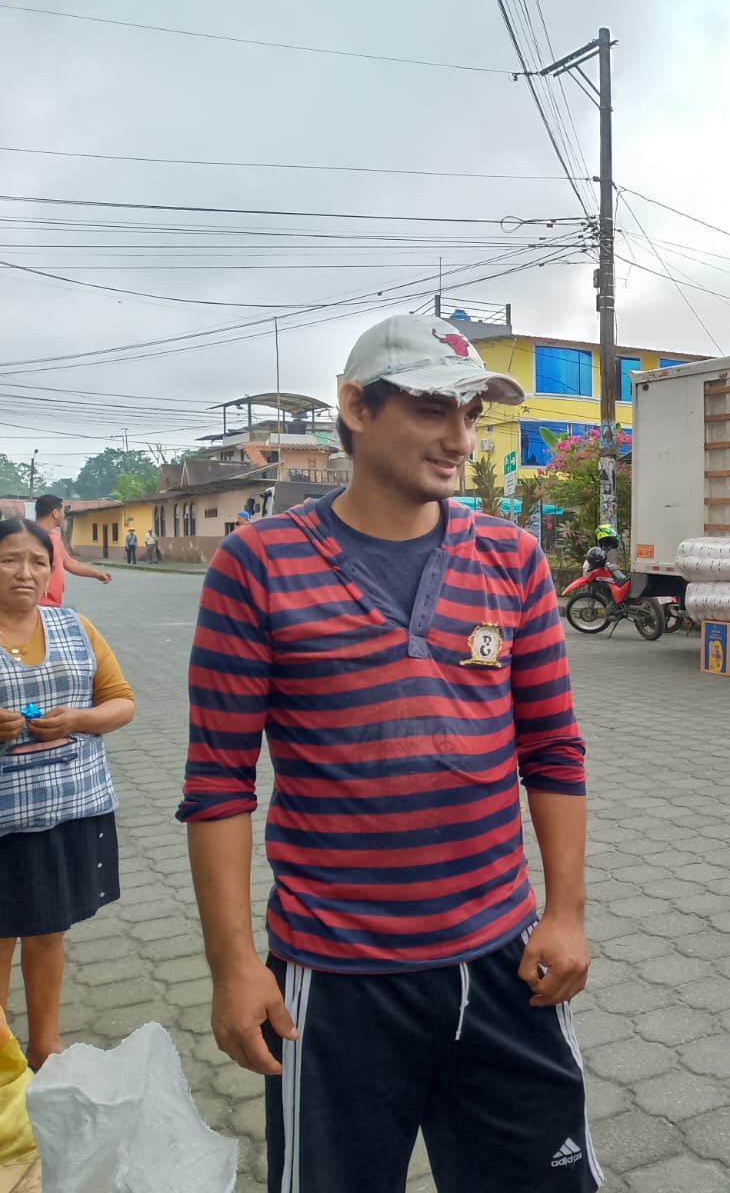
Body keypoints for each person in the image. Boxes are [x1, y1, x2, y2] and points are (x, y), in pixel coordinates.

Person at [180, 314, 599, 1193]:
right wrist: (233, 964)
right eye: (432, 409)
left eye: (471, 415)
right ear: (356, 408)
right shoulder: (258, 566)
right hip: (336, 977)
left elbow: (553, 749)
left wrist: (564, 913)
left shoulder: (512, 560)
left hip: (503, 962)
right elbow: (218, 781)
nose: (460, 440)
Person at [0, 518, 135, 1072]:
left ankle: (44, 1044)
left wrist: (79, 719)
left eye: (38, 562)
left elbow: (121, 702)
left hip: (64, 810)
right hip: (5, 822)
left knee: (48, 930)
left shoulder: (76, 627)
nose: (25, 573)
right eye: (9, 560)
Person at [31, 496, 111, 605]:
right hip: (36, 602)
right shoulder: (30, 536)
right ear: (55, 513)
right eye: (62, 511)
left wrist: (97, 574)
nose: (64, 515)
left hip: (54, 602)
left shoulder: (55, 536)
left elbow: (68, 562)